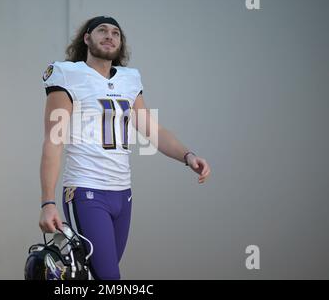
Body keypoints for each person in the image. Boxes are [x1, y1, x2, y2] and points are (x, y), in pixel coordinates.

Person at [38, 16, 211, 280]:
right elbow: (53, 140)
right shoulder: (68, 74)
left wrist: (188, 156)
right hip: (86, 191)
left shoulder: (130, 80)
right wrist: (48, 202)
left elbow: (153, 130)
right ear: (86, 38)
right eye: (102, 30)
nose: (110, 36)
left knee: (97, 277)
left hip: (123, 194)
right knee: (109, 278)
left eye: (116, 33)